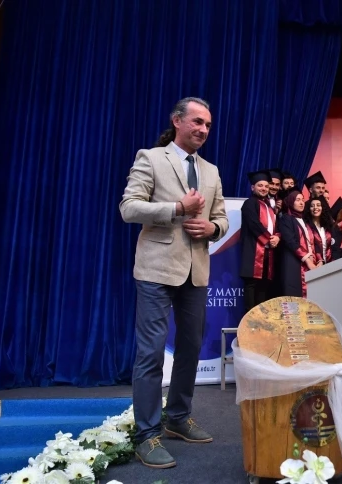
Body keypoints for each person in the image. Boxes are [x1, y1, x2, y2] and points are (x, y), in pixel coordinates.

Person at [119, 97, 228, 468]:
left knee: (191, 347)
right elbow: (129, 208)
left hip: (196, 271)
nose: (203, 129)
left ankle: (178, 418)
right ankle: (146, 435)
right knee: (150, 353)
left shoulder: (211, 170)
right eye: (197, 122)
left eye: (208, 125)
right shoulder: (151, 158)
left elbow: (220, 219)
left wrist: (213, 228)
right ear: (177, 121)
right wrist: (177, 209)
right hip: (156, 270)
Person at [240, 170, 279, 312]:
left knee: (263, 287)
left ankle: (261, 320)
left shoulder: (270, 207)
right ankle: (250, 321)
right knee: (252, 286)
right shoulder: (249, 204)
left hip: (268, 253)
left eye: (266, 186)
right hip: (253, 252)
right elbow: (254, 224)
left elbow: (276, 226)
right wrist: (269, 239)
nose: (264, 188)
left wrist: (277, 237)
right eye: (260, 185)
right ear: (253, 187)